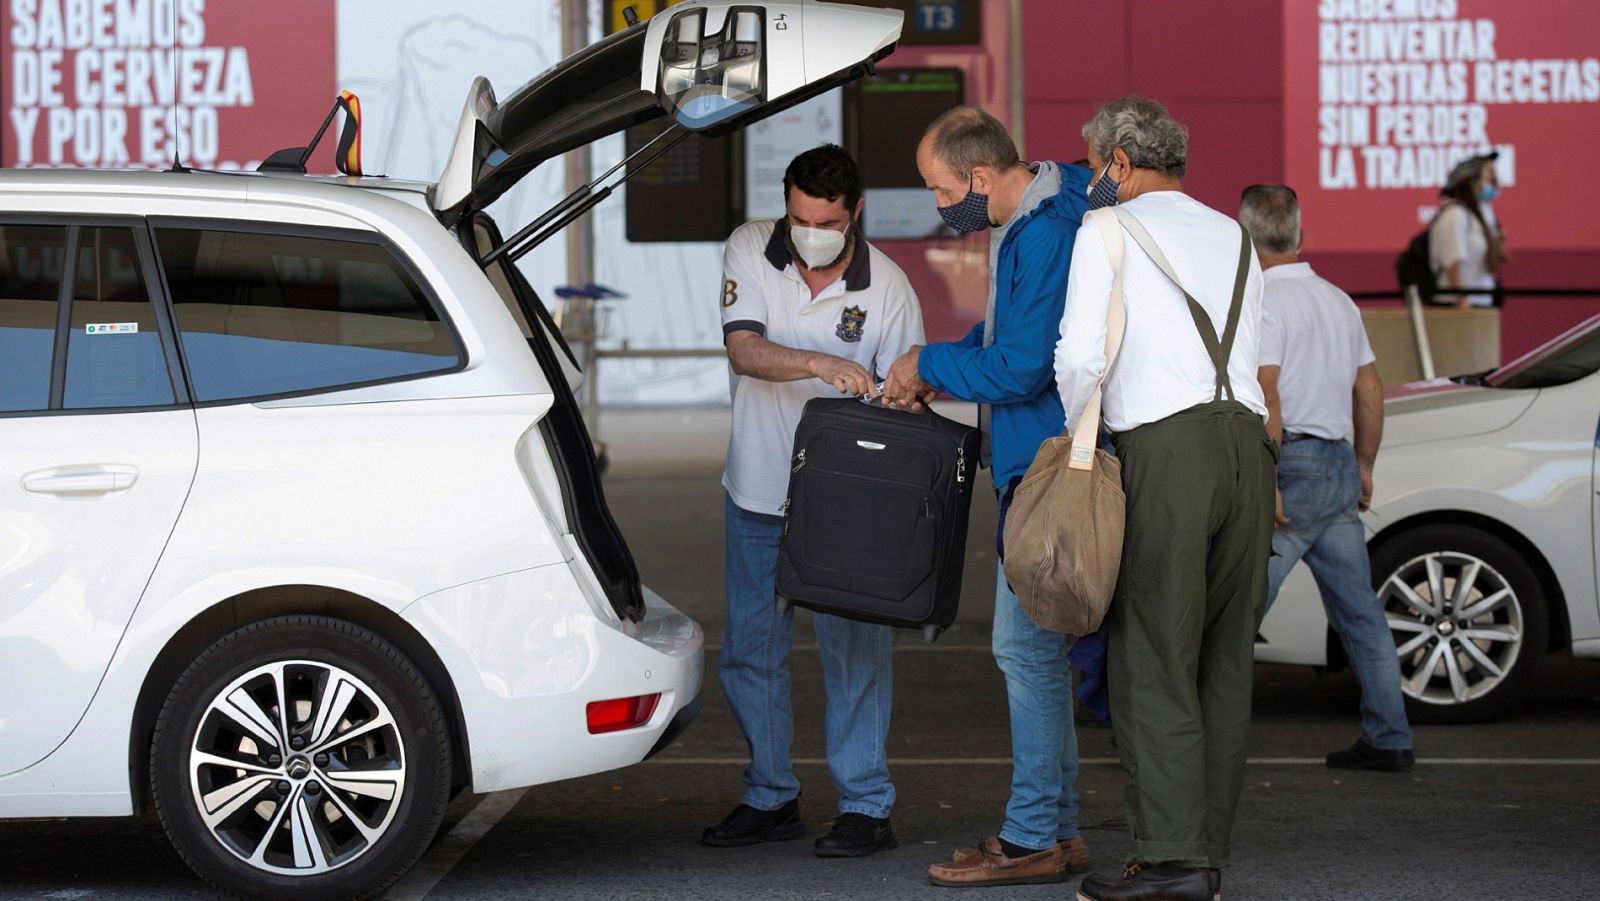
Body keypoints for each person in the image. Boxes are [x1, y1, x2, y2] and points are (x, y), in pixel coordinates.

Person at [1054, 97, 1274, 901]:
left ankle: (1173, 861)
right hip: (1248, 451)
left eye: (1091, 163)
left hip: (1165, 449)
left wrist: (1080, 431)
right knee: (1223, 660)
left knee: (1151, 655)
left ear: (1118, 162)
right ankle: (1203, 849)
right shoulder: (1236, 234)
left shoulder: (1105, 230)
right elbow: (1257, 353)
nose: (1086, 178)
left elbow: (1080, 355)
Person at [880, 106, 1095, 888]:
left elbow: (1021, 369)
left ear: (979, 176)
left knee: (1025, 653)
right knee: (1038, 655)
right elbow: (1000, 338)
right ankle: (1057, 831)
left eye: (940, 191)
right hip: (1038, 463)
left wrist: (928, 361)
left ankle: (1034, 833)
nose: (939, 207)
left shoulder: (1041, 231)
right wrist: (934, 366)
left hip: (1043, 468)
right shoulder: (1035, 210)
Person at [705, 143, 925, 857]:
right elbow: (744, 350)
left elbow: (908, 398)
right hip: (758, 492)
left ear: (855, 213)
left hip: (844, 508)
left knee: (854, 656)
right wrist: (822, 362)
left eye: (825, 220)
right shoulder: (749, 247)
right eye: (798, 216)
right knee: (750, 651)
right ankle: (770, 794)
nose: (808, 231)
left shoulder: (887, 287)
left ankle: (866, 803)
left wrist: (902, 393)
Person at [1240, 184, 1416, 772]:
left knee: (1238, 611)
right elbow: (1369, 388)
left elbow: (1266, 395)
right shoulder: (1338, 300)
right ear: (1300, 235)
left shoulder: (1262, 302)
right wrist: (1364, 464)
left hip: (1290, 469)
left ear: (1245, 237)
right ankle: (1390, 738)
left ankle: (1201, 741)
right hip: (1337, 463)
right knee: (1361, 615)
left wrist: (1265, 483)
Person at [1429, 151, 1508, 308]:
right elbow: (1453, 262)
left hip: (1481, 301)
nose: (1494, 180)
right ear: (1471, 180)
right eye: (1489, 173)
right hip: (1459, 307)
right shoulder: (1455, 214)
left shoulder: (1482, 214)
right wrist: (1462, 300)